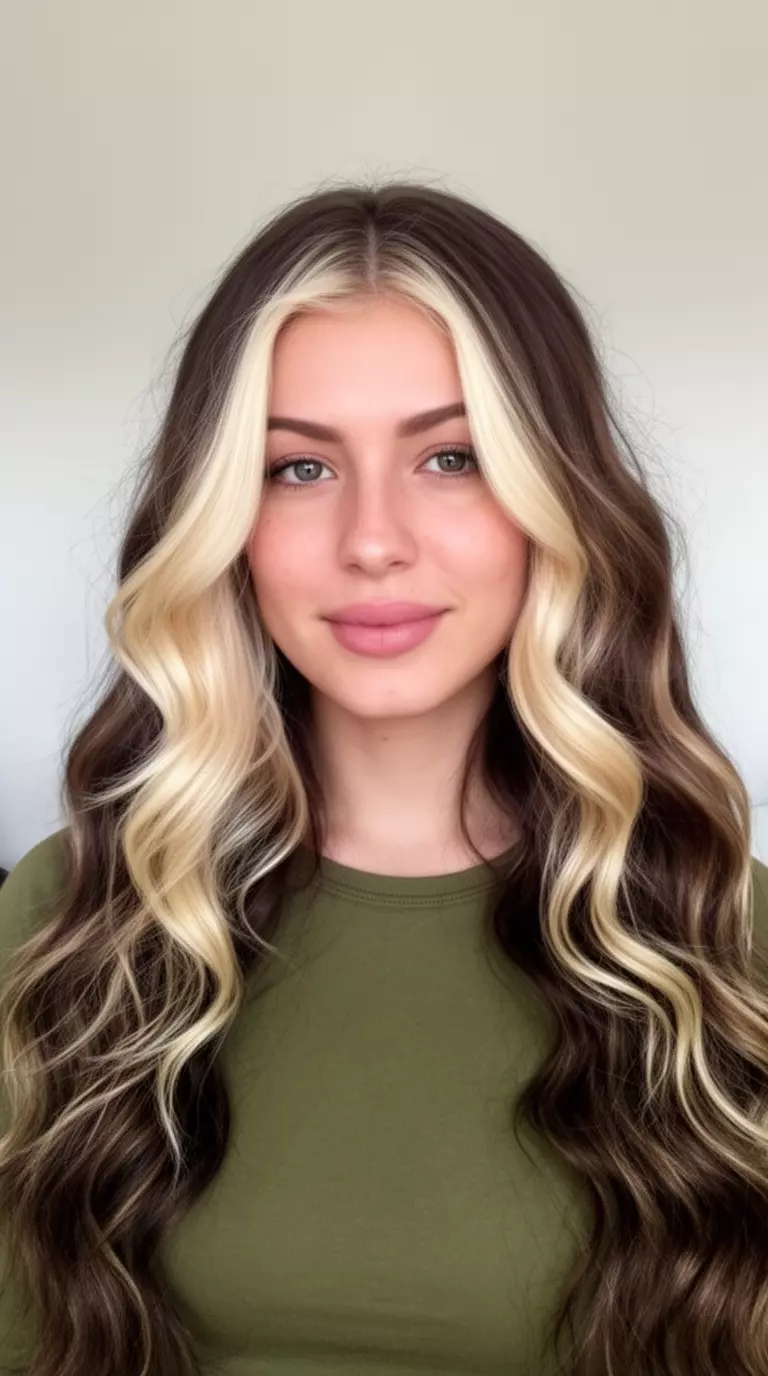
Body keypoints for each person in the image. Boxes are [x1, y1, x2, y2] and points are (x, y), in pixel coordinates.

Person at [1, 180, 767, 1376]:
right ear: (221, 523)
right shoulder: (72, 912)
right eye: (298, 469)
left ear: (555, 499)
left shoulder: (724, 934)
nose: (372, 538)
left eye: (452, 456)